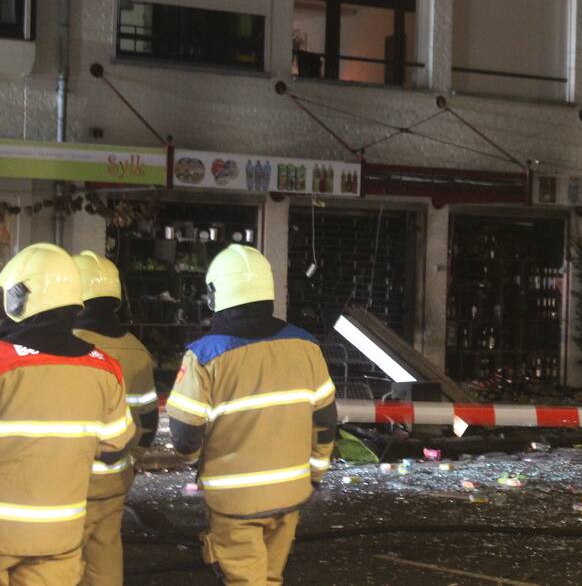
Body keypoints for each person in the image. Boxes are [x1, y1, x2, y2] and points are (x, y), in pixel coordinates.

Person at [166, 245, 336, 585]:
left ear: (215, 295)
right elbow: (326, 423)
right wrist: (314, 474)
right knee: (271, 578)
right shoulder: (307, 347)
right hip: (291, 494)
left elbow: (186, 435)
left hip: (235, 502)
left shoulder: (203, 356)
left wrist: (191, 459)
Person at [0, 244, 134, 585]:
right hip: (60, 533)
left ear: (16, 299)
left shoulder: (4, 361)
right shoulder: (106, 368)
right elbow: (116, 444)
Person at [72, 250, 158, 586]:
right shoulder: (137, 350)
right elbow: (148, 424)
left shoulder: (65, 347)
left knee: (62, 563)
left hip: (70, 482)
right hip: (115, 477)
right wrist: (131, 459)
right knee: (105, 555)